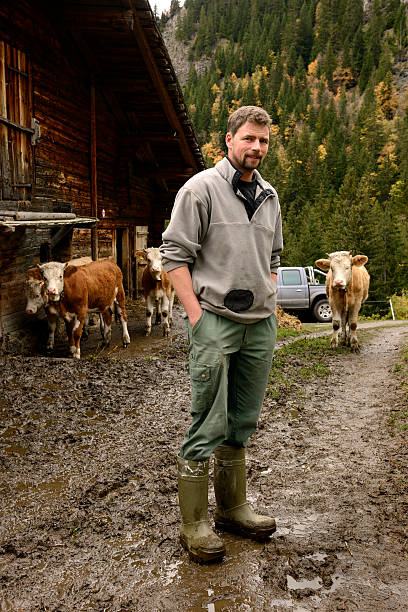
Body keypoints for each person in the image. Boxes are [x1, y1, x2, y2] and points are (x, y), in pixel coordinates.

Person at [160, 105, 283, 563]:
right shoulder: (200, 190)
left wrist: (269, 298)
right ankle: (194, 523)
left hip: (260, 326)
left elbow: (272, 258)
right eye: (249, 138)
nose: (256, 147)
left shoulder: (269, 195)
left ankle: (234, 509)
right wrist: (196, 317)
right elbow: (173, 256)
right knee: (207, 420)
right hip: (213, 320)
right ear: (228, 140)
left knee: (242, 421)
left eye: (264, 140)